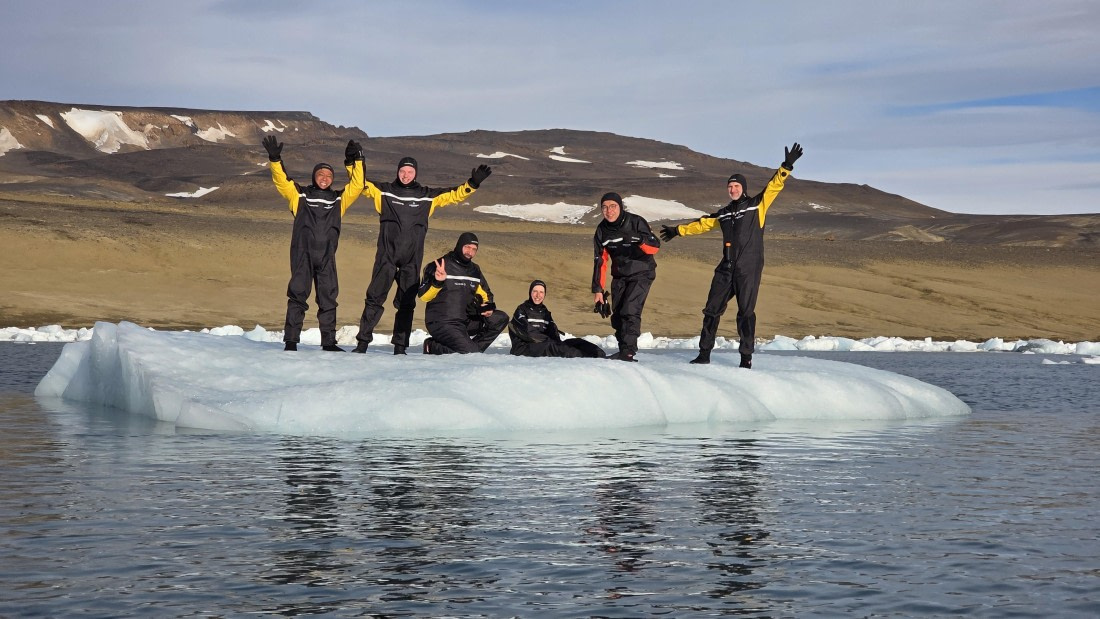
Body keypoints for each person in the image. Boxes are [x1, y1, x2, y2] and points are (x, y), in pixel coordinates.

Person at [660, 143, 803, 369]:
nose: (733, 189)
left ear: (743, 188)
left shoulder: (757, 206)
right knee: (711, 310)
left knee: (746, 313)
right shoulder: (724, 213)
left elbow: (773, 187)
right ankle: (704, 353)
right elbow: (703, 224)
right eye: (730, 186)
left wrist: (786, 166)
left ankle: (746, 358)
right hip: (726, 268)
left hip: (748, 269)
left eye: (736, 186)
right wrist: (677, 231)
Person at [351, 157, 493, 355]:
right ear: (397, 171)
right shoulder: (384, 192)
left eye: (410, 171)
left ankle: (400, 347)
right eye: (402, 171)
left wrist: (473, 184)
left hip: (411, 261)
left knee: (407, 305)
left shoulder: (426, 196)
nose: (405, 175)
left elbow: (453, 195)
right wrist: (354, 162)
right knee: (374, 300)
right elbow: (360, 184)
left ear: (415, 173)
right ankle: (362, 344)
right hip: (386, 259)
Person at [263, 136, 364, 352]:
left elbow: (357, 185)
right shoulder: (299, 195)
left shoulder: (339, 200)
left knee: (328, 299)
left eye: (328, 175)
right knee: (298, 295)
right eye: (320, 174)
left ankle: (328, 342)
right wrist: (274, 159)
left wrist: (357, 160)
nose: (324, 178)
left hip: (327, 257)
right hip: (303, 256)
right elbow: (282, 181)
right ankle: (291, 341)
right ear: (314, 176)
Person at [591, 192, 660, 362]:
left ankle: (628, 352)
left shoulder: (636, 221)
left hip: (642, 272)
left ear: (620, 207)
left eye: (613, 206)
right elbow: (600, 262)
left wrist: (638, 239)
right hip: (620, 275)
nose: (609, 211)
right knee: (618, 313)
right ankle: (623, 349)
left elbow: (655, 246)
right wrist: (598, 290)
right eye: (605, 207)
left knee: (630, 309)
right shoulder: (601, 231)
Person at [417, 232, 508, 355]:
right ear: (459, 245)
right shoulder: (439, 265)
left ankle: (469, 348)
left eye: (474, 249)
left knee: (500, 318)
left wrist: (486, 308)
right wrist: (437, 282)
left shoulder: (475, 270)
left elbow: (487, 295)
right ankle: (432, 347)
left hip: (465, 322)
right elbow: (423, 296)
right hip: (442, 323)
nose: (470, 252)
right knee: (471, 354)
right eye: (467, 247)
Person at [509, 280, 607, 358]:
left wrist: (557, 342)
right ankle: (589, 359)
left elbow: (553, 332)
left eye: (541, 292)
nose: (538, 295)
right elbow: (528, 332)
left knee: (576, 342)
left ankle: (599, 354)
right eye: (535, 291)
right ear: (530, 292)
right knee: (555, 348)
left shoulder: (545, 312)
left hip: (544, 345)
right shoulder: (521, 310)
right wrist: (551, 342)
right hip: (524, 348)